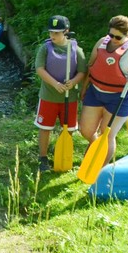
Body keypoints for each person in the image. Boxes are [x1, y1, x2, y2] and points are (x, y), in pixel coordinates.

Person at [78, 15, 128, 165]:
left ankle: (100, 169)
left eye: (118, 37)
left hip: (120, 97)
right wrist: (84, 88)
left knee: (107, 133)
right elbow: (91, 66)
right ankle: (95, 146)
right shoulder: (102, 43)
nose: (113, 39)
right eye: (111, 35)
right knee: (86, 130)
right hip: (95, 92)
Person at [34, 16, 88, 172]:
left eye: (57, 33)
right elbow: (40, 69)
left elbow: (82, 71)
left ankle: (61, 152)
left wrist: (74, 82)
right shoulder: (45, 48)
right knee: (45, 127)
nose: (53, 36)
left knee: (69, 129)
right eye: (51, 32)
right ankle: (42, 157)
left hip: (69, 98)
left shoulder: (76, 50)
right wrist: (55, 84)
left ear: (66, 31)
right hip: (48, 97)